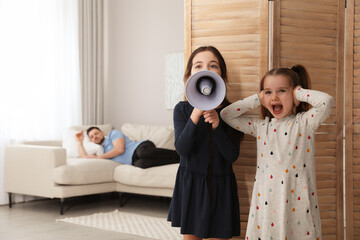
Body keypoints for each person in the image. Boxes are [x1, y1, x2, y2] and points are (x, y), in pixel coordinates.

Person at [220, 65, 334, 240]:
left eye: (281, 91)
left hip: (297, 198)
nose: (274, 97)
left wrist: (299, 94)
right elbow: (227, 114)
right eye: (268, 92)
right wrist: (258, 98)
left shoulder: (305, 123)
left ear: (295, 94)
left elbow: (327, 101)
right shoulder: (261, 127)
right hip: (267, 201)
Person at [167, 46, 243, 240]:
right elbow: (182, 149)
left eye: (213, 65)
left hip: (221, 188)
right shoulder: (182, 110)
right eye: (198, 65)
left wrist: (217, 126)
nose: (205, 70)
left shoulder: (231, 112)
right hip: (192, 186)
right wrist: (195, 115)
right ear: (189, 75)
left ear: (222, 75)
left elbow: (232, 155)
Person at [75, 126, 180, 168]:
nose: (95, 137)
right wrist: (80, 142)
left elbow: (120, 149)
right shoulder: (101, 151)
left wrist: (99, 158)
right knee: (141, 164)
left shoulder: (113, 134)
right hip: (134, 160)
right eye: (92, 137)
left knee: (143, 153)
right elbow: (84, 157)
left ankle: (180, 155)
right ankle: (178, 161)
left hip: (140, 147)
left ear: (102, 132)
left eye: (96, 133)